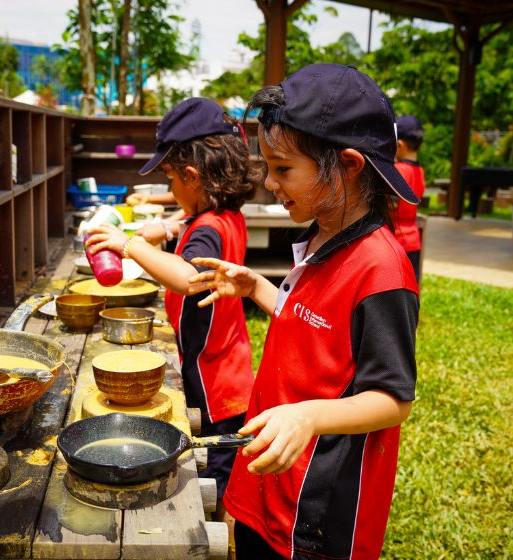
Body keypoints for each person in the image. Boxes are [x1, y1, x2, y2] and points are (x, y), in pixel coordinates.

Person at [187, 64, 420, 560]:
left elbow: (393, 397)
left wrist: (309, 416)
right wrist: (257, 288)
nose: (269, 182)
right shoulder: (321, 234)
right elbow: (312, 326)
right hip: (270, 480)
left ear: (350, 165)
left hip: (316, 510)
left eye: (283, 168)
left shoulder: (382, 269)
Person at [86, 97, 262, 517]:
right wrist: (165, 226)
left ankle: (217, 527)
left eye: (170, 180)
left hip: (214, 379)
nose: (170, 191)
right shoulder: (224, 216)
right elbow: (190, 226)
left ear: (191, 176)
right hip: (230, 364)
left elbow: (188, 277)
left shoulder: (207, 229)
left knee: (215, 473)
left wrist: (128, 245)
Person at [392, 114, 426, 281]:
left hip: (396, 239)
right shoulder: (420, 171)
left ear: (399, 144)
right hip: (413, 241)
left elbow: (390, 204)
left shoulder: (397, 170)